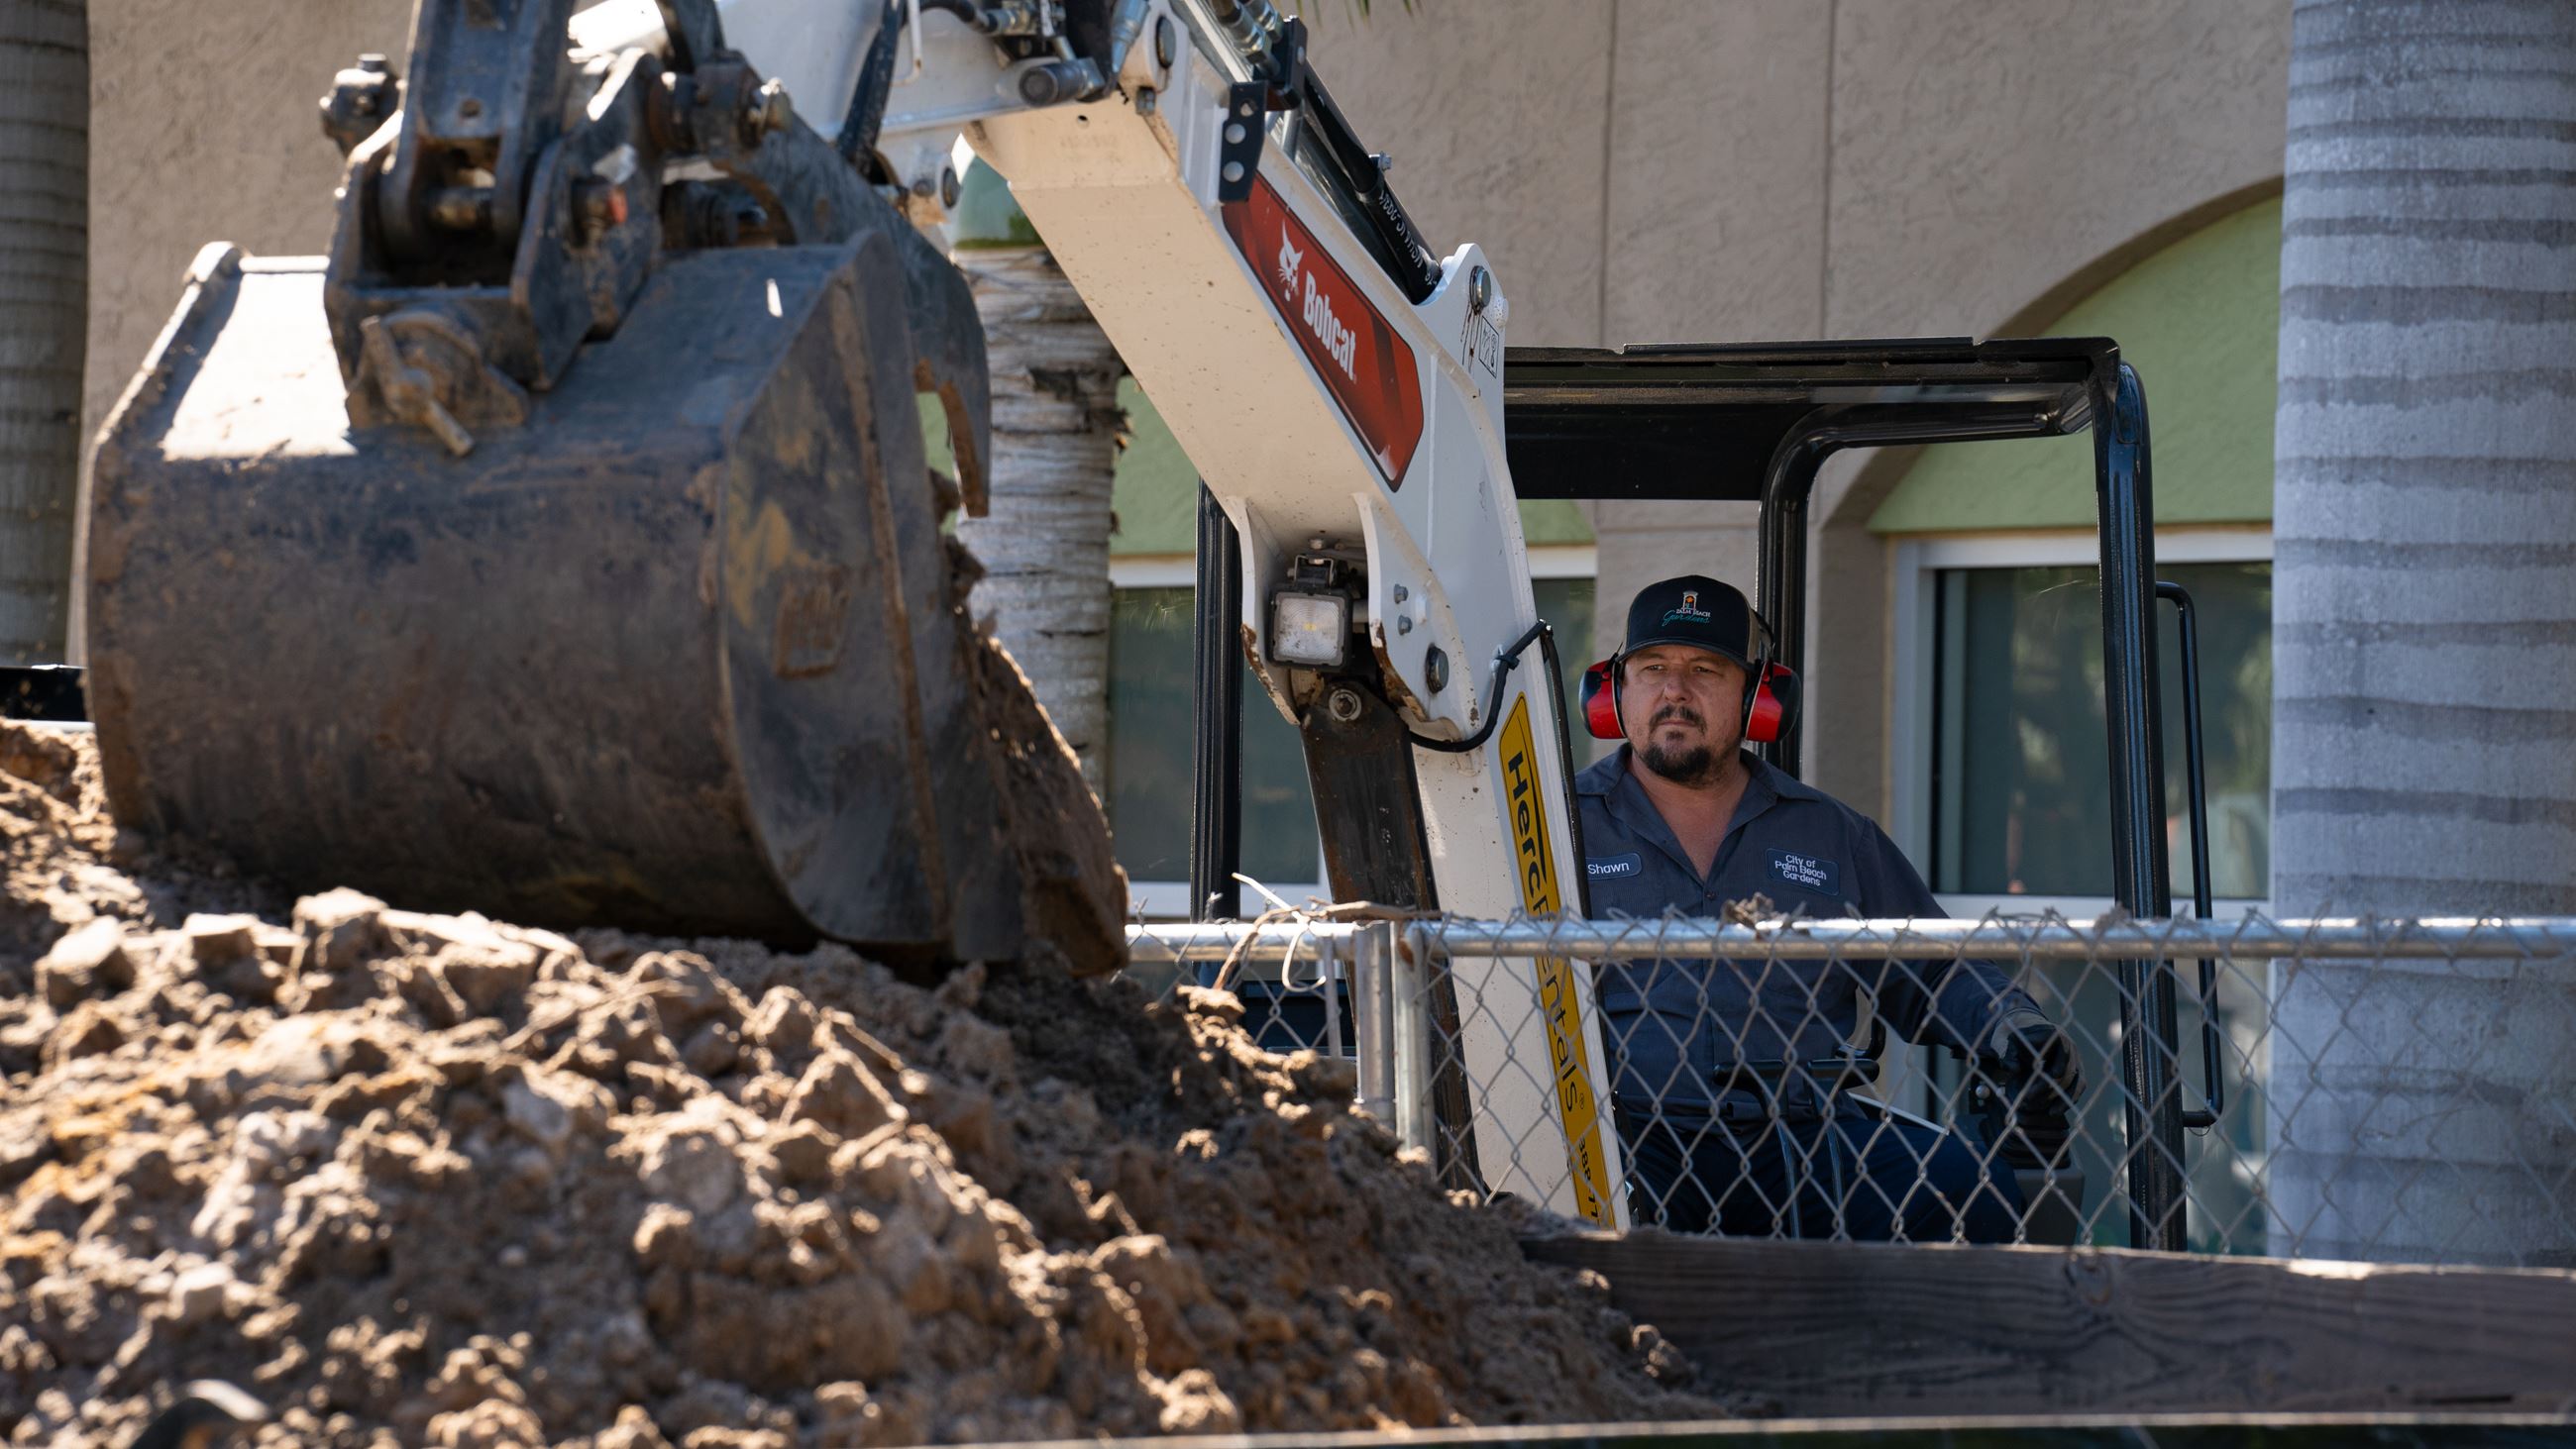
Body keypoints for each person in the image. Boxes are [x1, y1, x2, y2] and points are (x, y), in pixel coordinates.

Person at [1576, 574, 2076, 1243]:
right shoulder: (1559, 826)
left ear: (1758, 697)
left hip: (1804, 1139)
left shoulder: (1830, 833)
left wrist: (2012, 1022)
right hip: (1626, 1138)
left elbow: (1934, 966)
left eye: (1705, 670)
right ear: (1614, 691)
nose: (1675, 691)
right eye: (1653, 669)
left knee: (1963, 1186)